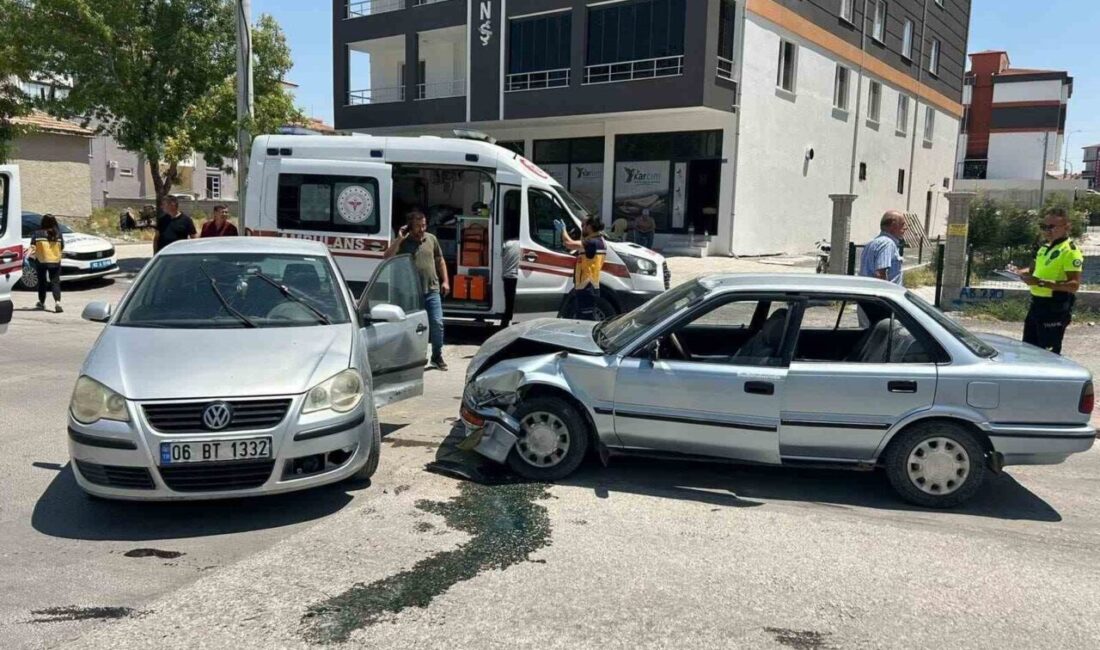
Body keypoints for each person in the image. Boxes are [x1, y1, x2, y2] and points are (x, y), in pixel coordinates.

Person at [1011, 208, 1084, 355]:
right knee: (1028, 350)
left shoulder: (1070, 251)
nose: (1047, 231)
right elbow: (1035, 270)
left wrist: (1041, 283)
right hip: (1037, 304)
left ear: (1066, 227)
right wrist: (1018, 272)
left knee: (1048, 353)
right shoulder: (1044, 248)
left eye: (1052, 227)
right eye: (1044, 227)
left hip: (1055, 307)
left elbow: (1074, 285)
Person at [384, 209, 450, 370]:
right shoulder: (403, 242)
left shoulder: (431, 239)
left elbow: (440, 260)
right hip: (410, 293)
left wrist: (446, 281)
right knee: (408, 326)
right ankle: (407, 358)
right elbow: (387, 257)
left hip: (431, 289)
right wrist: (399, 239)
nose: (422, 229)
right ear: (410, 226)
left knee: (437, 323)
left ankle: (437, 356)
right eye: (418, 226)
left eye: (424, 225)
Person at [556, 215, 606, 321]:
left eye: (583, 225)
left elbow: (569, 244)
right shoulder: (597, 240)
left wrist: (563, 230)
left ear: (590, 226)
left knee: (586, 320)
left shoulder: (592, 242)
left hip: (587, 286)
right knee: (583, 318)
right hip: (587, 286)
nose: (582, 228)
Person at [860, 210, 908, 284]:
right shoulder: (887, 244)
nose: (905, 228)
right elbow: (880, 274)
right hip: (885, 290)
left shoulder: (871, 243)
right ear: (893, 226)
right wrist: (884, 290)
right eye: (902, 224)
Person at [29, 214, 64, 312]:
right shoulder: (58, 234)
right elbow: (62, 246)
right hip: (55, 261)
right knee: (55, 282)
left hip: (41, 261)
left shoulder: (37, 233)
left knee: (42, 282)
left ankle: (42, 302)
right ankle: (57, 303)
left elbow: (33, 246)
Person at [501, 237, 521, 328]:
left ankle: (504, 323)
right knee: (515, 302)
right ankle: (513, 323)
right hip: (517, 276)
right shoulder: (522, 244)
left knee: (508, 302)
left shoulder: (506, 244)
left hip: (507, 276)